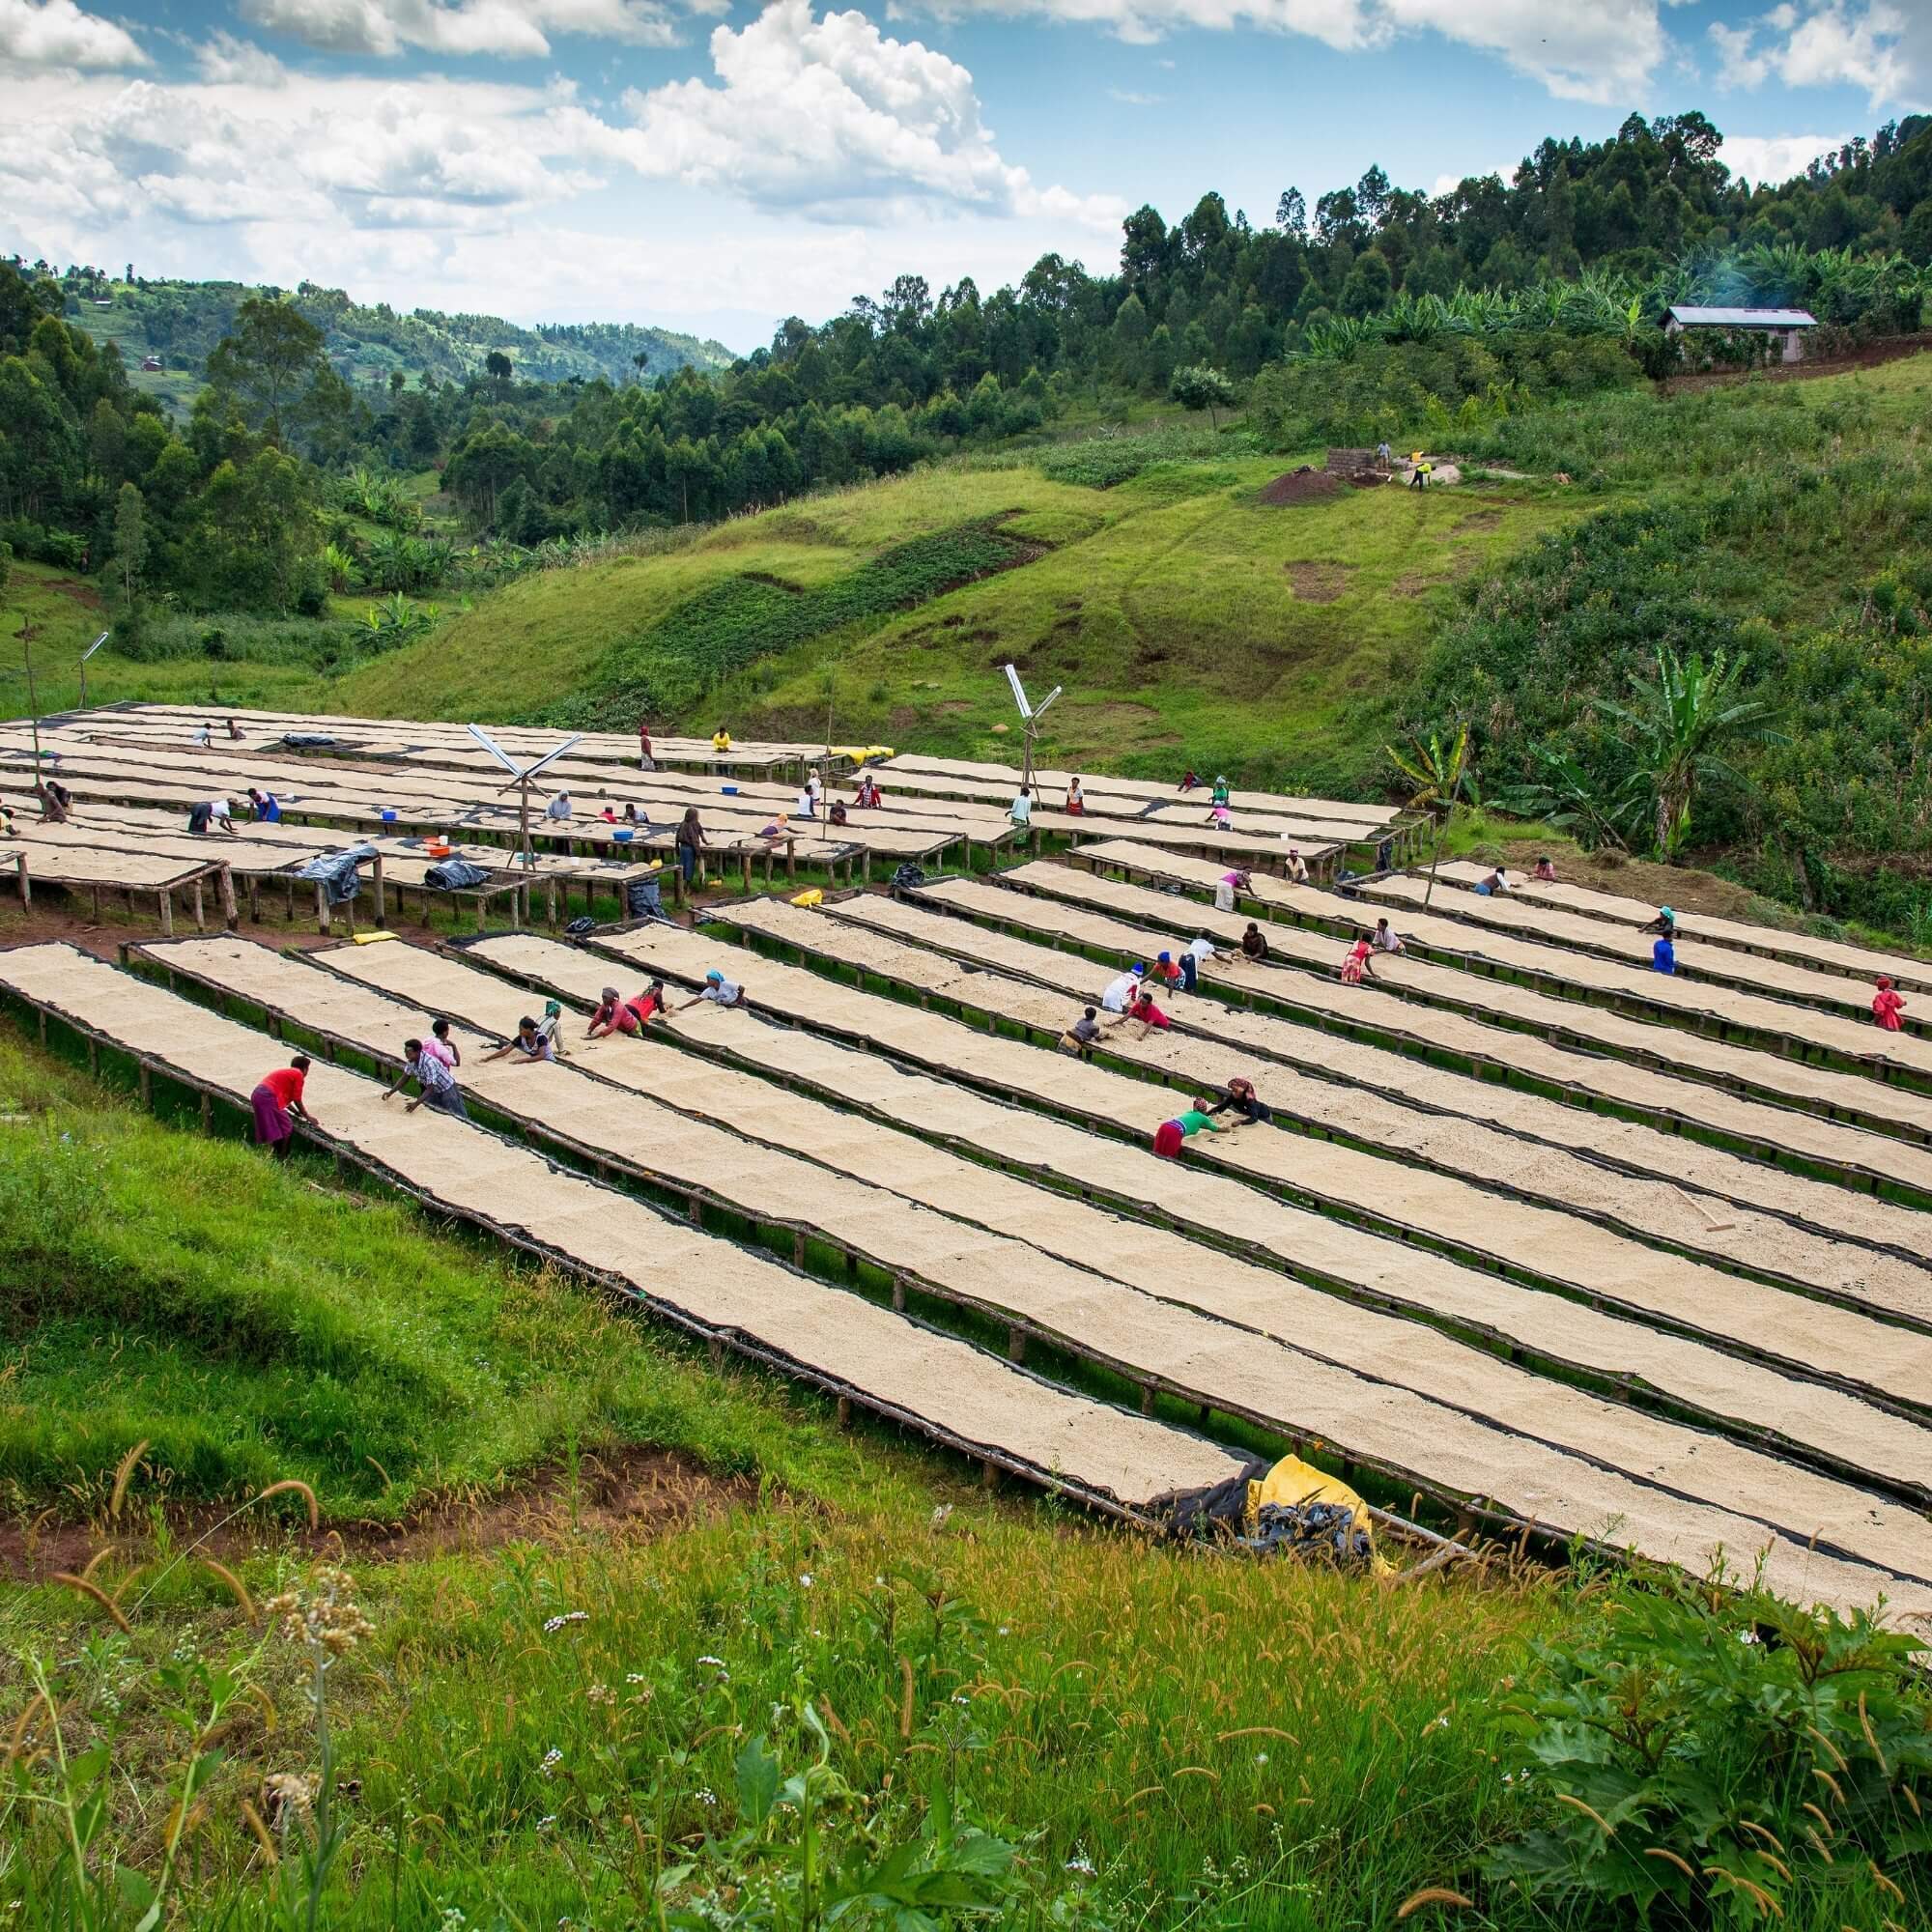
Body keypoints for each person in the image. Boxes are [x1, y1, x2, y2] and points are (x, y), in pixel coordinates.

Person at [382, 1037, 469, 1118]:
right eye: (405, 1052)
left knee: (457, 1115)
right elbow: (404, 1078)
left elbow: (430, 1088)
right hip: (433, 1089)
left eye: (409, 1052)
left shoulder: (428, 1063)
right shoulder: (411, 1061)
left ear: (418, 1052)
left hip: (447, 1089)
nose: (406, 1055)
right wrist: (391, 1092)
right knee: (433, 1111)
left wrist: (416, 1104)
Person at [251, 1054, 316, 1158]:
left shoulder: (288, 1073)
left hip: (258, 1094)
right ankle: (282, 1157)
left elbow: (285, 1100)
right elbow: (297, 1099)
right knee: (286, 1127)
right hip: (268, 1097)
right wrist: (307, 1116)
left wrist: (296, 1113)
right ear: (305, 1069)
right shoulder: (298, 1074)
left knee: (273, 1126)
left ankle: (273, 1155)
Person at [1151, 1099, 1231, 1159]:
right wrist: (1225, 1130)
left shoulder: (1189, 1113)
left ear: (1194, 1107)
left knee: (1158, 1150)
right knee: (1169, 1155)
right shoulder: (1204, 1118)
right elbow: (1214, 1128)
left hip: (1165, 1126)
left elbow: (1195, 1124)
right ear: (1205, 1109)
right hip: (1176, 1131)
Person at [586, 983, 664, 1038]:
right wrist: (593, 1034)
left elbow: (599, 1018)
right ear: (660, 988)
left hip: (628, 1007)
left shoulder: (646, 992)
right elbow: (662, 1010)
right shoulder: (658, 993)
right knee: (640, 1029)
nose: (603, 999)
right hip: (635, 1014)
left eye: (605, 997)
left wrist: (591, 1032)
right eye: (603, 997)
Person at [482, 1015, 556, 1065]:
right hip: (534, 1060)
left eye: (521, 1029)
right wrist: (488, 1058)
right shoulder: (521, 1038)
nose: (519, 1031)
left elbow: (541, 1056)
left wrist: (521, 1061)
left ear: (528, 1029)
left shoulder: (541, 1038)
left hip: (548, 1061)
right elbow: (506, 1050)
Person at [1208, 1076, 1272, 1127]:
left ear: (1243, 1090)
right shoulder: (1233, 1096)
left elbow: (1254, 1118)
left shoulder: (1250, 1100)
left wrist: (1240, 1122)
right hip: (1248, 1116)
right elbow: (1222, 1107)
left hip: (1264, 1117)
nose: (1233, 1092)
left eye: (1235, 1090)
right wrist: (1207, 1113)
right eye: (1232, 1090)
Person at [674, 968, 746, 1013]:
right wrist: (682, 1007)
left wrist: (737, 1001)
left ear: (715, 980)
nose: (707, 981)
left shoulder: (725, 984)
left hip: (739, 1002)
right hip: (727, 1005)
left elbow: (742, 988)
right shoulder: (709, 990)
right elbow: (697, 1000)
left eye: (709, 979)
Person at [676, 807, 706, 885]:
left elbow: (677, 836)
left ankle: (681, 885)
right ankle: (687, 887)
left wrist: (677, 849)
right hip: (689, 849)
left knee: (682, 866)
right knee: (689, 867)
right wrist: (698, 853)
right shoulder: (693, 825)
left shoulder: (683, 823)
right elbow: (694, 840)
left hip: (682, 848)